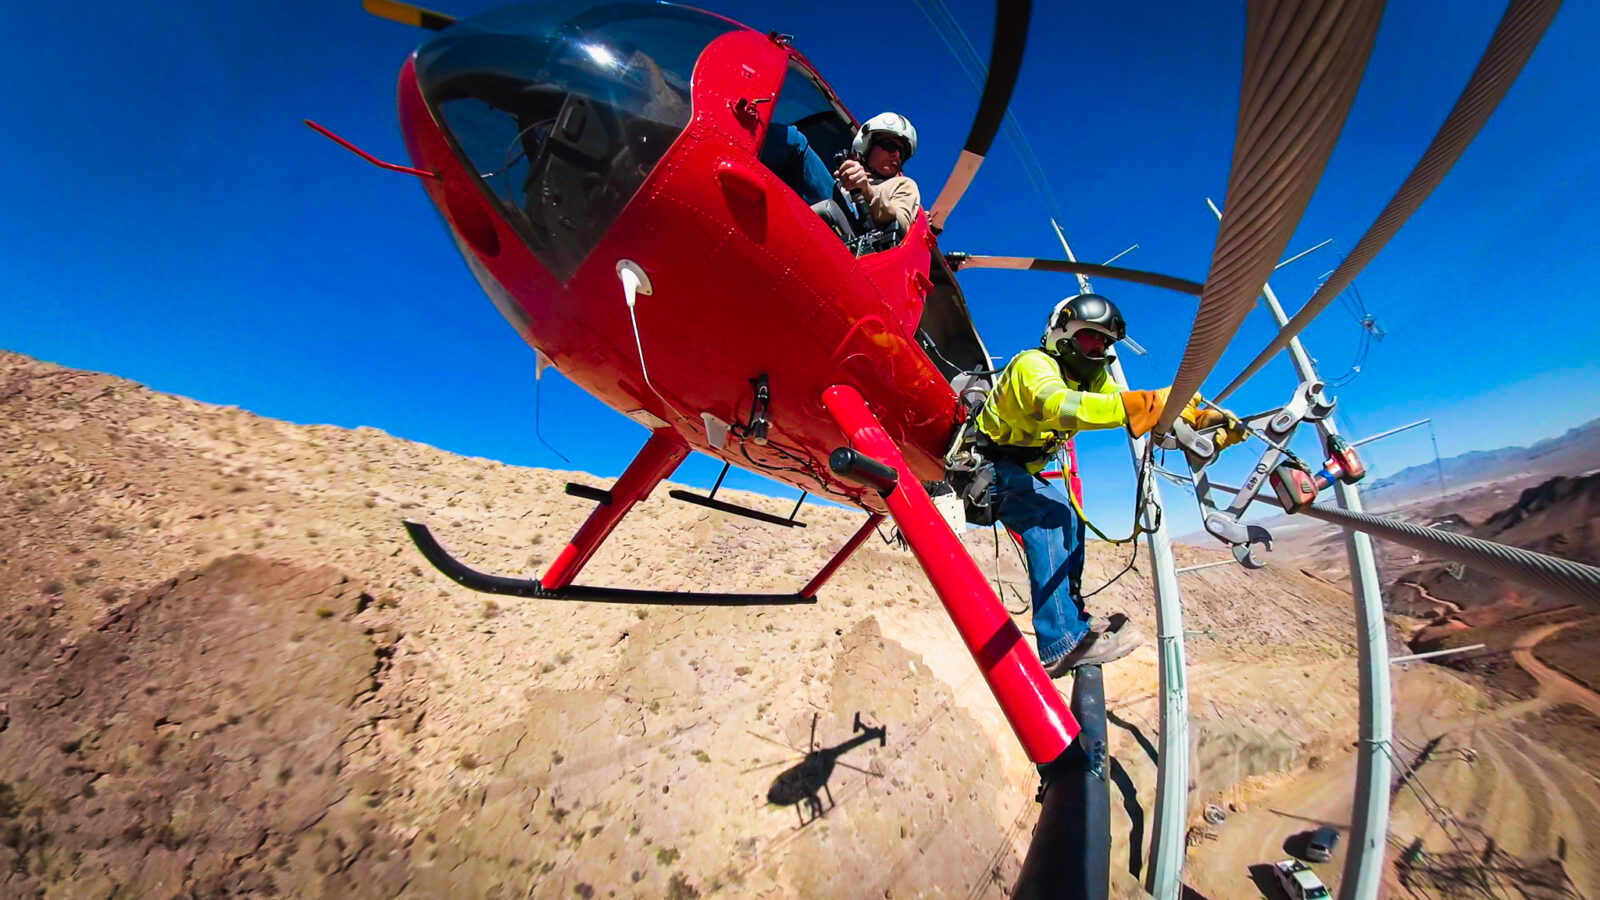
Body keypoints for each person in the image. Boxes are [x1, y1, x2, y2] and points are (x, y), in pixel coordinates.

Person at [970, 293, 1244, 675]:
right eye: (1089, 338)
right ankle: (1061, 643)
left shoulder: (1091, 375)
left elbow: (1126, 406)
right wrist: (1145, 406)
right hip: (983, 466)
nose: (1098, 349)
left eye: (1104, 342)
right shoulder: (1031, 365)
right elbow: (1059, 406)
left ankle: (1074, 620)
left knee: (1067, 516)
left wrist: (1191, 416)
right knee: (1049, 517)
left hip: (1012, 469)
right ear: (1061, 333)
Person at [758, 111, 921, 234]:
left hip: (857, 239)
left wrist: (866, 191)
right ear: (867, 145)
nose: (897, 155)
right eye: (889, 145)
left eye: (902, 152)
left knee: (795, 143)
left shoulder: (903, 184)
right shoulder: (845, 176)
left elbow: (901, 223)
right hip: (828, 222)